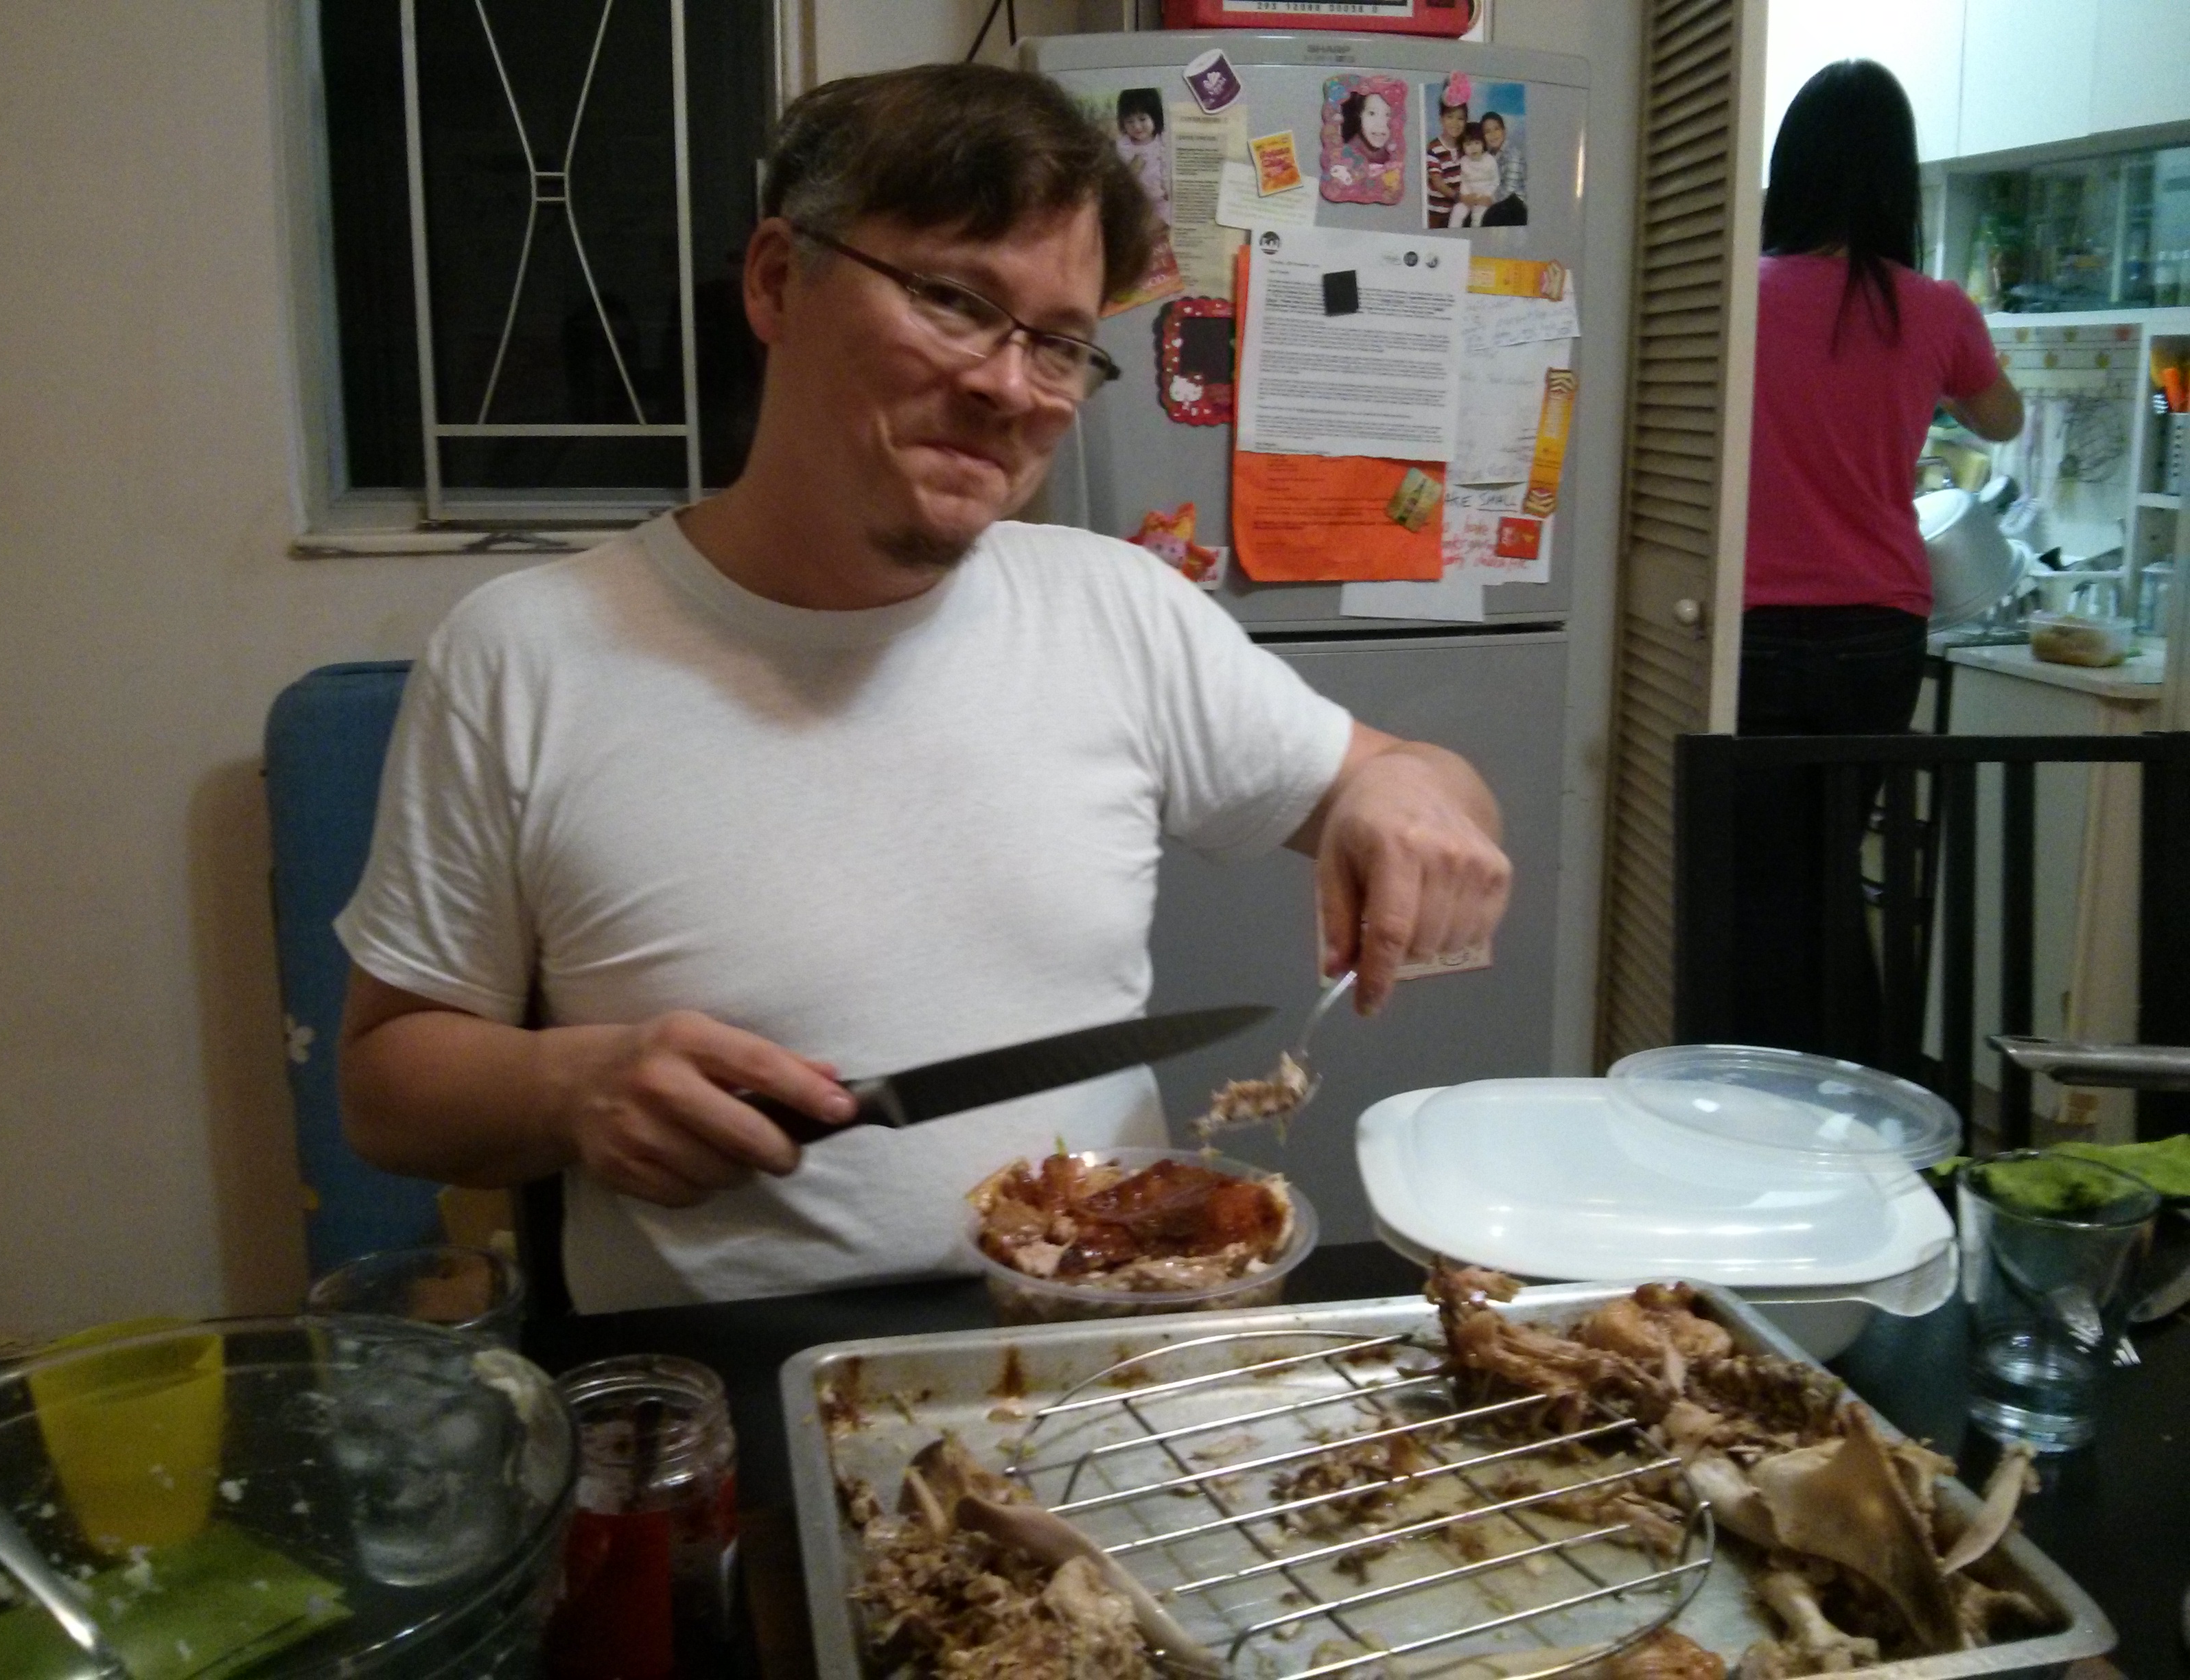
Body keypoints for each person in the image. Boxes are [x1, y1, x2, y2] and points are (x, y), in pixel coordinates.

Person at [335, 63, 1513, 1311]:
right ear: (777, 281)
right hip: (726, 1373)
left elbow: (1420, 786)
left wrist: (1408, 798)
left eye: (1059, 344)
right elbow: (385, 1091)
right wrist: (571, 1088)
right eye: (953, 301)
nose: (1008, 385)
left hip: (1099, 1331)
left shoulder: (1115, 612)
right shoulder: (523, 654)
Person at [1732, 60, 2022, 1057]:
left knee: (1755, 882)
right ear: (1897, 180)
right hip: (1878, 636)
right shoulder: (1936, 311)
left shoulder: (1740, 297)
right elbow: (2004, 420)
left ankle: (1757, 1088)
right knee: (1827, 878)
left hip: (1753, 630)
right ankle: (1854, 1083)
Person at [1114, 87, 1169, 226]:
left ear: (1155, 117)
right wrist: (1132, 168)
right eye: (1130, 122)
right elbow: (1119, 179)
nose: (1137, 127)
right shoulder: (1123, 146)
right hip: (1137, 203)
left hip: (1162, 201)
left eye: (1143, 119)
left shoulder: (1164, 141)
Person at [1478, 110, 1527, 226]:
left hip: (1515, 205)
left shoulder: (1512, 154)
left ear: (1504, 131)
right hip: (1499, 200)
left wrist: (1489, 200)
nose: (1493, 134)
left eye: (1497, 129)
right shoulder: (1489, 156)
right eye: (1487, 132)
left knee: (1489, 218)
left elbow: (1509, 188)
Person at [1424, 100, 1467, 229]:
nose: (1455, 123)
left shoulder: (1464, 147)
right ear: (1441, 119)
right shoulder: (1433, 149)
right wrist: (1461, 198)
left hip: (1455, 212)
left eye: (1460, 119)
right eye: (1450, 117)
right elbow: (1438, 183)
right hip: (1436, 213)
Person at [1448, 126, 1495, 227]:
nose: (1473, 148)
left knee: (1478, 217)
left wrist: (1487, 195)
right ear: (1463, 146)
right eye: (1468, 144)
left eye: (1477, 143)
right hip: (1469, 197)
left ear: (1483, 143)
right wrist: (1467, 196)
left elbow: (1495, 181)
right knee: (1457, 211)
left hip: (1484, 198)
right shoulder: (1464, 161)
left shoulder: (1490, 160)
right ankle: (1452, 234)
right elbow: (1464, 181)